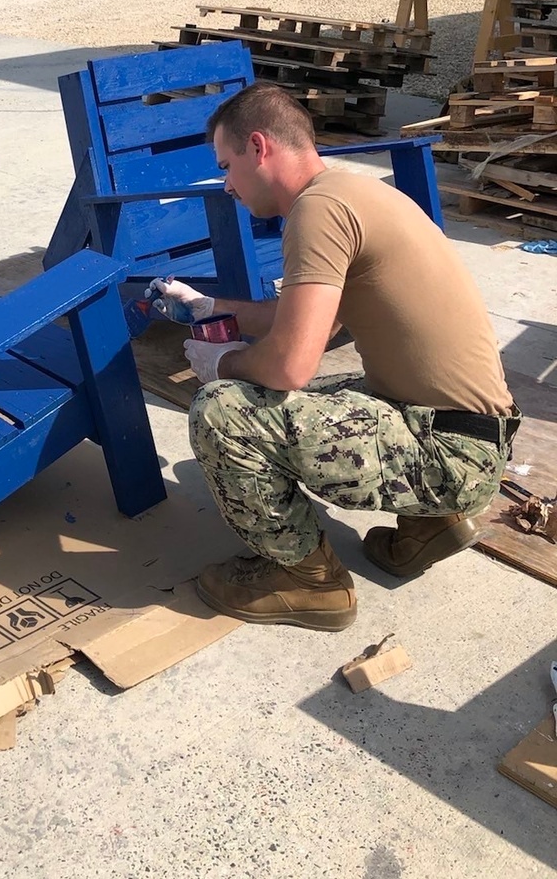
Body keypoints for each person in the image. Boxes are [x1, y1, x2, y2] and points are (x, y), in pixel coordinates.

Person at [152, 82, 519, 633]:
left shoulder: (316, 211)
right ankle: (432, 526)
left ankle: (308, 581)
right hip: (473, 433)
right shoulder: (351, 193)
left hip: (448, 453)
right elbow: (309, 320)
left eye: (227, 166)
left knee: (224, 413)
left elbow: (289, 365)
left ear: (259, 147)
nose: (226, 184)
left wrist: (221, 364)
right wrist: (210, 306)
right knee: (326, 392)